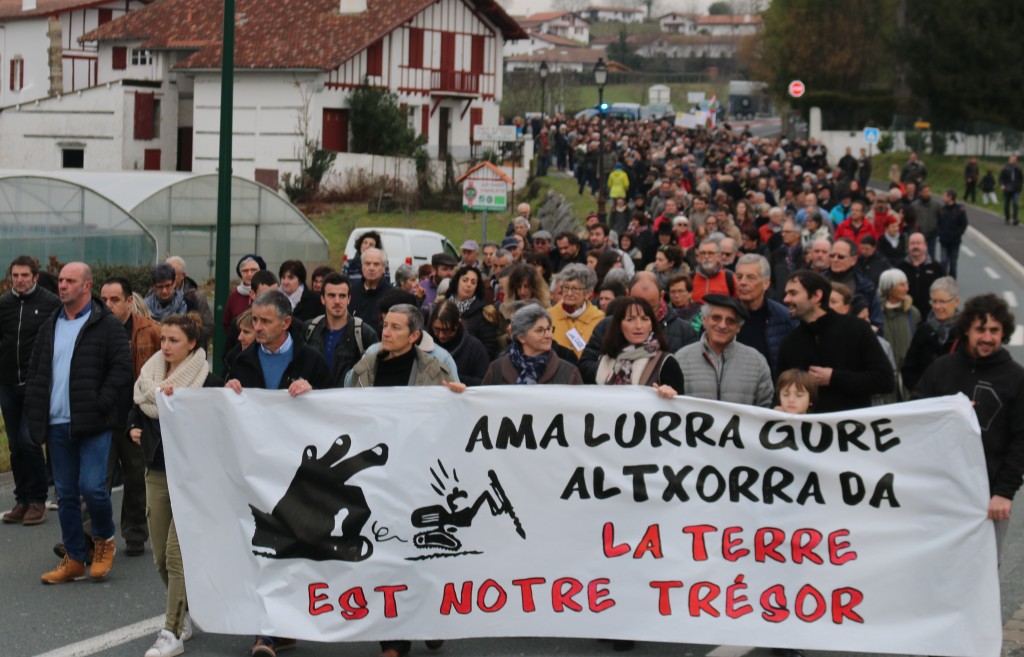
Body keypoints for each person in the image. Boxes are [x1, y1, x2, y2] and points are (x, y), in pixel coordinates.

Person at [224, 290, 329, 657]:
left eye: (265, 321)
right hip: (256, 469)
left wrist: (314, 393)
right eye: (254, 320)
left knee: (294, 549)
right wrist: (229, 390)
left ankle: (285, 625)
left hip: (297, 471)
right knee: (262, 547)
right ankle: (264, 632)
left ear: (286, 323)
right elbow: (228, 407)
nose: (257, 327)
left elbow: (334, 410)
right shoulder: (241, 358)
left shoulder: (311, 360)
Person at [25, 262, 133, 583]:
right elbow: (37, 372)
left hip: (92, 423)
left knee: (93, 488)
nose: (62, 286)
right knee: (66, 495)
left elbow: (121, 370)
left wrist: (101, 403)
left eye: (70, 281)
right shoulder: (50, 325)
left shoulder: (106, 325)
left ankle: (103, 541)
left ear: (87, 286)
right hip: (57, 424)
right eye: (60, 280)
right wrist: (36, 414)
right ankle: (74, 557)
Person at [128, 313, 220, 657]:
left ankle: (171, 631)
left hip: (192, 478)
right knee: (158, 558)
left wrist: (234, 393)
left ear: (192, 344)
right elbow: (137, 407)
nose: (165, 346)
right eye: (163, 339)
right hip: (156, 471)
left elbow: (224, 421)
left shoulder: (209, 382)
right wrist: (131, 428)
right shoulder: (148, 377)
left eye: (174, 340)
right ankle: (183, 612)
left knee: (175, 555)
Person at [913, 293, 1024, 562]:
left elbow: (1021, 440)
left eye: (994, 330)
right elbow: (913, 418)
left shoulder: (1016, 377)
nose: (987, 337)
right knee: (937, 566)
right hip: (940, 492)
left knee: (982, 573)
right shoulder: (941, 368)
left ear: (1004, 332)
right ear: (966, 330)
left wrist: (1003, 493)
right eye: (980, 329)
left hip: (988, 499)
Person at [98, 276, 161, 557]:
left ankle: (135, 532)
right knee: (96, 481)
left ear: (129, 301)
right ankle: (93, 536)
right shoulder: (93, 329)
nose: (108, 305)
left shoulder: (150, 331)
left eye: (114, 300)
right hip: (101, 417)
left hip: (136, 416)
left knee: (136, 477)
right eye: (104, 300)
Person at [777, 270, 894, 412]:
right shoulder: (790, 342)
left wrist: (834, 377)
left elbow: (885, 380)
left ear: (816, 296)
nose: (786, 299)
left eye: (793, 293)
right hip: (808, 431)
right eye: (786, 293)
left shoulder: (857, 329)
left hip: (852, 429)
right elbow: (779, 389)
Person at [0, 255, 61, 526]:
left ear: (36, 277)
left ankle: (37, 499)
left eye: (25, 275)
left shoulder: (50, 304)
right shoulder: (3, 304)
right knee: (14, 445)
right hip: (7, 384)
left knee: (29, 440)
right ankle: (22, 499)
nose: (20, 280)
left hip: (36, 386)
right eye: (15, 276)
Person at [674, 294, 773, 407]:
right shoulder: (682, 358)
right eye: (716, 318)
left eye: (730, 321)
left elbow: (765, 409)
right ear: (704, 320)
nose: (722, 325)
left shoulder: (757, 362)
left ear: (738, 327)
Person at [595, 297, 683, 398]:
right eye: (630, 319)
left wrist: (672, 395)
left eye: (644, 319)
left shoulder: (665, 361)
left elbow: (681, 406)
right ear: (619, 325)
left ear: (651, 325)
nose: (638, 326)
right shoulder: (605, 360)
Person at [303, 272, 379, 388]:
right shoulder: (309, 329)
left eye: (342, 296)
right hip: (313, 400)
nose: (337, 301)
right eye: (332, 296)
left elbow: (375, 372)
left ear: (349, 299)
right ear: (323, 299)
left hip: (348, 402)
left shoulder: (364, 333)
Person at [482, 305, 582, 385]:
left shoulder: (569, 373)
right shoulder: (496, 369)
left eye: (548, 328)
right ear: (521, 337)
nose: (548, 335)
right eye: (540, 330)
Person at [734, 254, 797, 379]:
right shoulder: (725, 316)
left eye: (750, 278)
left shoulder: (784, 318)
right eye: (739, 277)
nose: (742, 283)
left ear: (766, 284)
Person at [902, 276, 961, 392]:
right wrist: (920, 392)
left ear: (956, 302)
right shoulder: (924, 331)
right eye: (934, 301)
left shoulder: (965, 332)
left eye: (942, 302)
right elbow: (908, 369)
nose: (937, 307)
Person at [144, 264, 213, 346]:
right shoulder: (144, 306)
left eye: (168, 285)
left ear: (174, 284)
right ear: (154, 286)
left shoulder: (188, 303)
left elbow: (200, 332)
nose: (164, 291)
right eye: (160, 287)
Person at [878, 269, 920, 399]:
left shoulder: (912, 313)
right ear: (889, 288)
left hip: (906, 378)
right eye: (901, 285)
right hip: (884, 376)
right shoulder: (877, 313)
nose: (907, 288)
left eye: (906, 284)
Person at [428, 301, 489, 386]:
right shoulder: (424, 346)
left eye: (447, 330)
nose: (441, 335)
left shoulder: (475, 348)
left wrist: (453, 377)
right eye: (436, 329)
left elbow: (485, 382)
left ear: (457, 324)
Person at [549, 264, 603, 359]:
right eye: (566, 287)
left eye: (574, 289)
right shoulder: (548, 316)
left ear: (588, 293)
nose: (569, 293)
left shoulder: (599, 319)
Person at [447, 266, 499, 359]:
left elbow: (489, 347)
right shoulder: (443, 305)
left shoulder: (483, 312)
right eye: (465, 280)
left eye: (473, 282)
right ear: (457, 281)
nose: (468, 285)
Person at [349, 248, 393, 332]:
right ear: (362, 267)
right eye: (367, 264)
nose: (371, 268)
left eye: (376, 264)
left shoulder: (392, 296)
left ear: (384, 268)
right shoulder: (351, 292)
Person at [223, 254, 265, 338]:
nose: (249, 274)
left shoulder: (267, 293)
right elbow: (226, 323)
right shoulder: (234, 296)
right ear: (240, 274)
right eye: (245, 271)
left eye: (253, 270)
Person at [691, 238, 737, 303]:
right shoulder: (690, 278)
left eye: (710, 253)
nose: (706, 256)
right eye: (703, 253)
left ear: (719, 256)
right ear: (698, 257)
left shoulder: (730, 278)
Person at [936, 188, 968, 278]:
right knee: (943, 261)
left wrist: (958, 233)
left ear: (950, 197)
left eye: (945, 195)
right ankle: (943, 279)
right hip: (944, 240)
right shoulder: (942, 210)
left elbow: (964, 224)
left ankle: (952, 280)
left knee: (953, 263)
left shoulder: (959, 210)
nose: (943, 197)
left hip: (955, 241)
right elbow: (938, 222)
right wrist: (940, 233)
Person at [999, 155, 1022, 225]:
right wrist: (1002, 185)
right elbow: (1001, 178)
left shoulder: (1018, 169)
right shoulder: (1005, 168)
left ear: (1016, 161)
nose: (1013, 161)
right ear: (1009, 160)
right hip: (1007, 188)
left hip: (1016, 189)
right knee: (1007, 204)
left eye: (1015, 160)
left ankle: (1015, 219)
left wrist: (1019, 186)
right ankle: (1007, 217)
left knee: (1015, 203)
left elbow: (1021, 178)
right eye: (1012, 159)